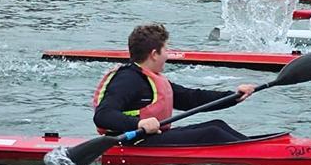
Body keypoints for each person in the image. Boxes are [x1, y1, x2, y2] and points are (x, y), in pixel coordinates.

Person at [93, 23, 256, 145]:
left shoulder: (152, 78)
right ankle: (258, 152)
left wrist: (233, 96)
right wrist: (139, 123)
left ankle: (258, 146)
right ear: (154, 54)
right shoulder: (127, 79)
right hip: (131, 143)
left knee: (217, 125)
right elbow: (103, 115)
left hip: (152, 138)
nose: (168, 55)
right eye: (166, 50)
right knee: (212, 133)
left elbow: (192, 98)